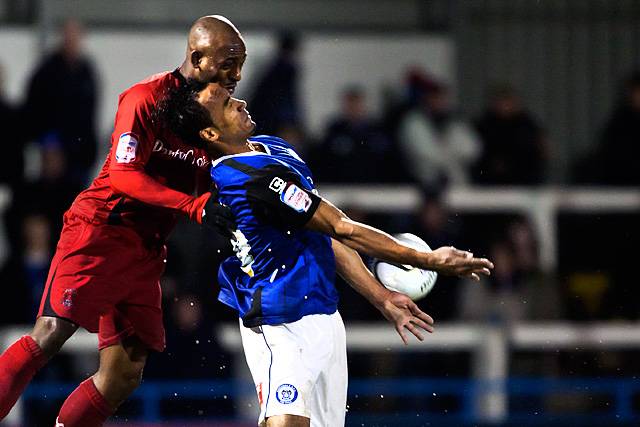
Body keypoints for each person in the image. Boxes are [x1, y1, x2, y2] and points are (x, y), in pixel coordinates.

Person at [159, 81, 494, 427]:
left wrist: (379, 295)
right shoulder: (246, 180)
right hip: (279, 320)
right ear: (211, 134)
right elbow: (342, 227)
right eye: (227, 104)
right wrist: (426, 259)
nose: (241, 102)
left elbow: (324, 238)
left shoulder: (274, 149)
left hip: (324, 314)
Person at [0, 15, 243, 426]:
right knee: (50, 334)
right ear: (197, 58)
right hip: (101, 229)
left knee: (125, 371)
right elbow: (124, 176)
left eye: (241, 63)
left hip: (146, 249)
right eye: (228, 62)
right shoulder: (144, 97)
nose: (236, 74)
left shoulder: (215, 121)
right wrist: (194, 206)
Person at [22, 19, 99, 187]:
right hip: (55, 150)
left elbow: (90, 112)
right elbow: (34, 108)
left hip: (80, 151)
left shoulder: (87, 71)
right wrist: (49, 142)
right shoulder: (46, 71)